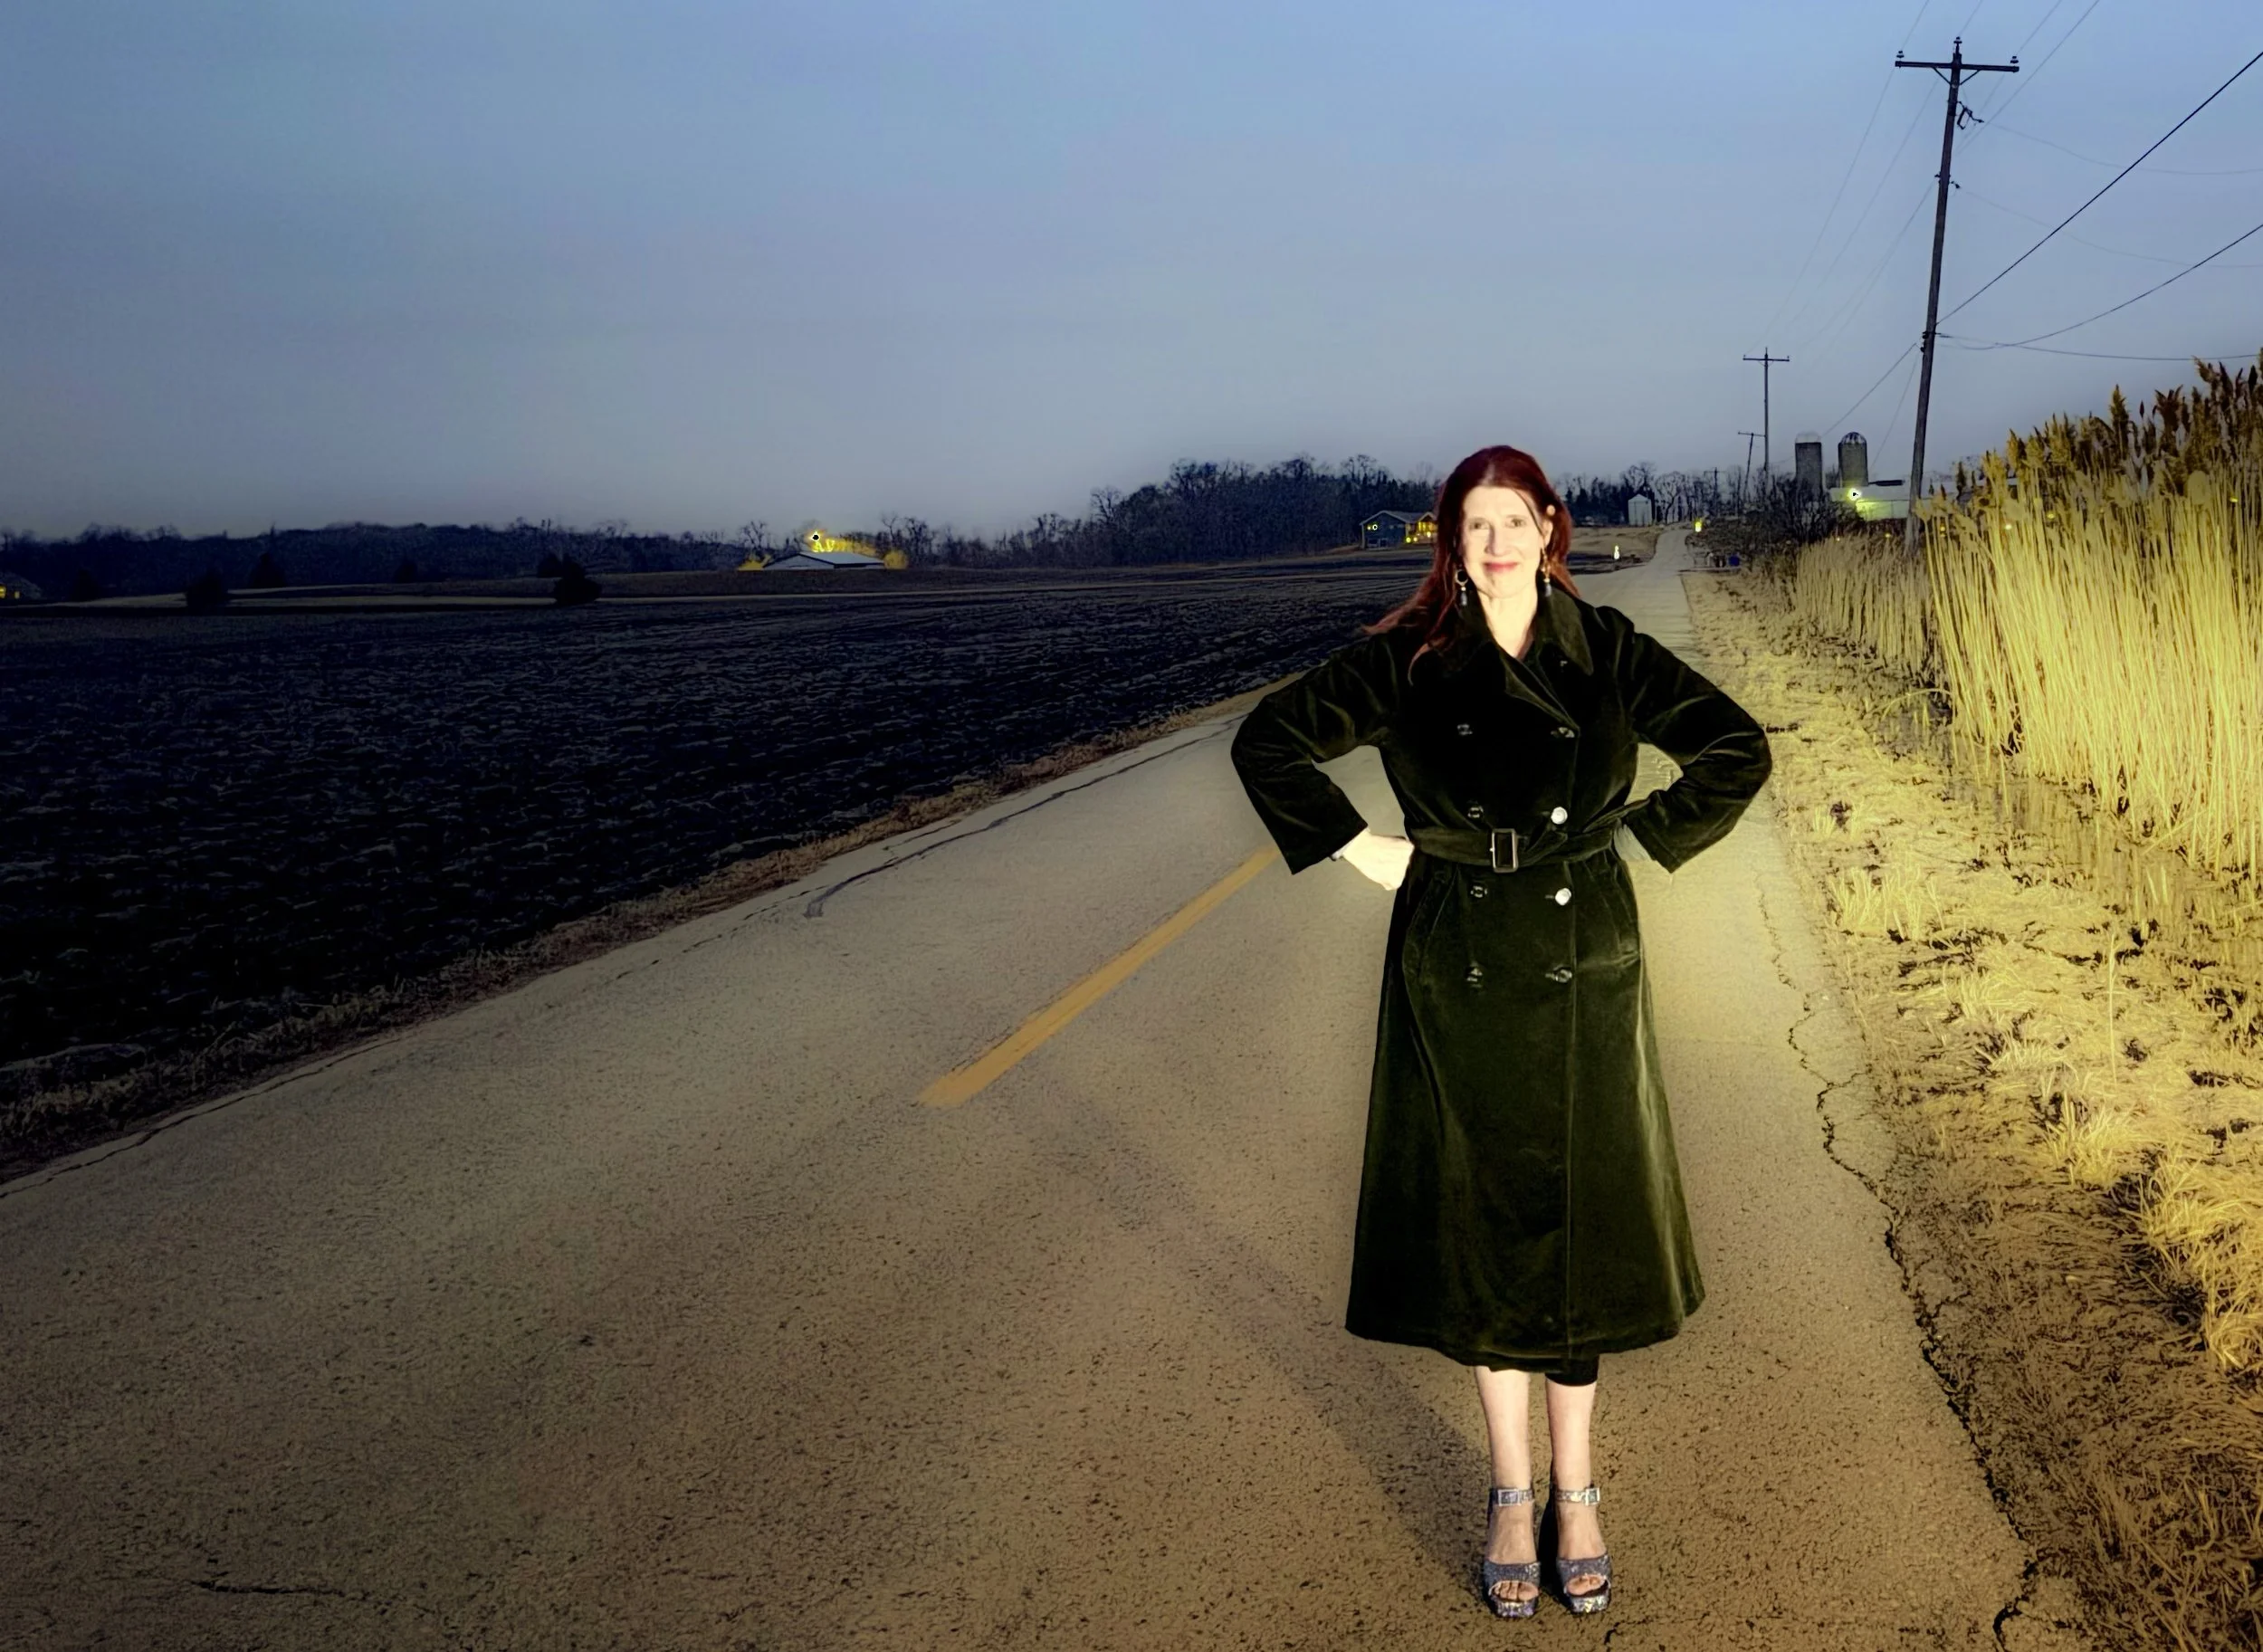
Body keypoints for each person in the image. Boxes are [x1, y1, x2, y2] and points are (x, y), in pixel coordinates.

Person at [1227, 444, 1771, 1618]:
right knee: (1484, 1218)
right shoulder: (1411, 662)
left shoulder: (1606, 650)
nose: (1495, 543)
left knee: (1573, 1217)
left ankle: (1576, 1492)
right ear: (1450, 541)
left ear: (1551, 527)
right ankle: (1508, 1489)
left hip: (1586, 962)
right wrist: (1364, 849)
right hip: (1457, 957)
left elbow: (1737, 751)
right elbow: (1267, 743)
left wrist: (1637, 840)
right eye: (1472, 525)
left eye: (1512, 520)